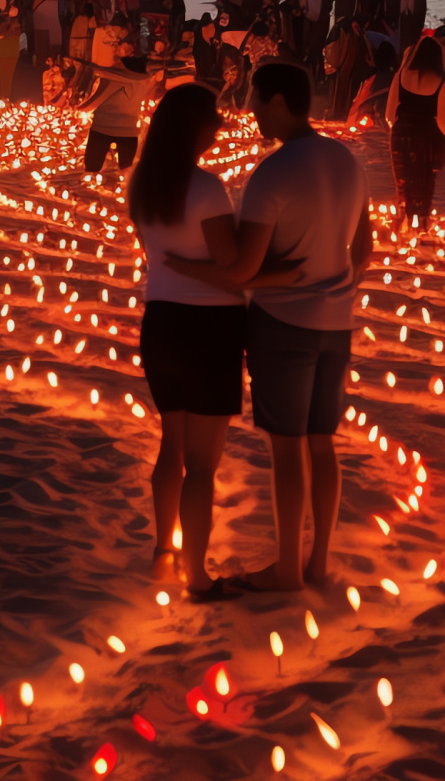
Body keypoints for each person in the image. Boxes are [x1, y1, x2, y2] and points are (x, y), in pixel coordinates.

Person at [166, 62, 372, 593]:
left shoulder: (273, 173)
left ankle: (286, 569)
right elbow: (363, 248)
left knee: (287, 447)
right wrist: (337, 285)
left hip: (283, 324)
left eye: (255, 99)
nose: (250, 110)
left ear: (279, 101)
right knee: (322, 442)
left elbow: (243, 267)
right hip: (336, 321)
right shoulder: (348, 160)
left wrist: (187, 267)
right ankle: (318, 562)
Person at [130, 84, 253, 598]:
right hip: (209, 329)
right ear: (193, 128)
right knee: (201, 464)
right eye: (212, 122)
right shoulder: (206, 188)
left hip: (161, 323)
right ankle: (198, 577)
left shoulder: (141, 184)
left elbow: (164, 256)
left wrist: (176, 265)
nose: (217, 131)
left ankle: (163, 552)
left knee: (170, 446)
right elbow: (231, 268)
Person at [384, 35, 445, 227]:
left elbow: (389, 115)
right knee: (424, 182)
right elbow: (444, 122)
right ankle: (420, 223)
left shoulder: (401, 75)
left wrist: (399, 130)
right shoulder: (442, 82)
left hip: (401, 133)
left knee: (403, 183)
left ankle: (404, 223)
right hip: (428, 136)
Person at [81, 55, 157, 172]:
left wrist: (80, 106)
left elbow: (91, 105)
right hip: (129, 134)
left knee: (92, 167)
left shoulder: (111, 81)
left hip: (101, 131)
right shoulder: (142, 84)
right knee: (127, 172)